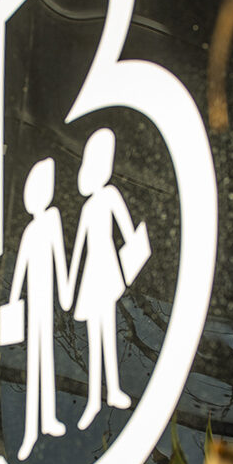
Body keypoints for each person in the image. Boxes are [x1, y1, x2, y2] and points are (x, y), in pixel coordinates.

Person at [67, 128, 145, 429]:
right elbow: (77, 250)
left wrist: (135, 251)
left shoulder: (111, 195)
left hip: (107, 268)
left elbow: (126, 229)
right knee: (94, 334)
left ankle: (112, 389)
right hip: (92, 274)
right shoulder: (88, 206)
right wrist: (70, 284)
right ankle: (94, 398)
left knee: (109, 330)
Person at [3, 157, 75, 460]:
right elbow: (20, 266)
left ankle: (47, 419)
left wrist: (67, 288)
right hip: (35, 300)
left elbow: (59, 255)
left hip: (48, 300)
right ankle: (33, 427)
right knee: (35, 363)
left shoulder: (53, 219)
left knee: (46, 358)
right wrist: (13, 298)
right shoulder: (31, 230)